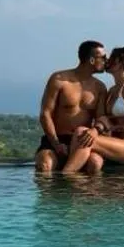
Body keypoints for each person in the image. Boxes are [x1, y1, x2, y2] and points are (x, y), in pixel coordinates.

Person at [62, 47, 124, 175]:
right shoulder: (112, 90)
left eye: (112, 58)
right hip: (115, 144)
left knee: (81, 134)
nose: (107, 60)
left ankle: (65, 176)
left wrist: (115, 127)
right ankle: (82, 184)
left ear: (121, 63)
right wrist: (97, 128)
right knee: (94, 160)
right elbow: (103, 118)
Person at [34, 40, 108, 173]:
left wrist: (95, 131)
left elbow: (101, 117)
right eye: (103, 57)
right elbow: (46, 113)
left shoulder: (100, 87)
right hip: (57, 139)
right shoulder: (59, 80)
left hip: (82, 141)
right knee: (45, 165)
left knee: (95, 163)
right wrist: (56, 143)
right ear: (92, 60)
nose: (106, 61)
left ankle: (79, 186)